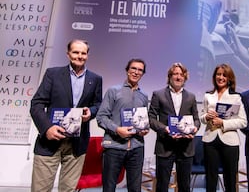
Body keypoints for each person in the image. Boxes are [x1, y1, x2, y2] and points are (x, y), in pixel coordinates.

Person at [30, 39, 103, 192]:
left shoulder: (95, 79)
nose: (79, 56)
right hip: (50, 142)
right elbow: (36, 104)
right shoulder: (53, 74)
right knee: (40, 189)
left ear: (87, 55)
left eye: (83, 53)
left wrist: (91, 113)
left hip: (77, 144)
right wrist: (47, 128)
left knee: (68, 189)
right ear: (68, 53)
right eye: (76, 52)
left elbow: (97, 104)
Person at [96, 58, 149, 192]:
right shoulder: (113, 91)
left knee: (135, 189)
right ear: (127, 70)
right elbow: (101, 117)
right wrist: (117, 129)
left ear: (143, 73)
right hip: (114, 146)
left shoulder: (143, 96)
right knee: (109, 187)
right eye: (133, 68)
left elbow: (143, 120)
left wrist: (144, 129)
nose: (136, 72)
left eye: (140, 70)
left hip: (137, 148)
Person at [148, 62, 200, 192]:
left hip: (185, 146)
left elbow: (196, 119)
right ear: (170, 76)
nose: (178, 77)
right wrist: (165, 128)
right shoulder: (158, 94)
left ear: (185, 77)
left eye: (181, 74)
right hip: (165, 146)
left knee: (184, 186)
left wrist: (195, 128)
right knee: (162, 185)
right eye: (175, 74)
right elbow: (151, 118)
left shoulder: (191, 96)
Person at [200, 63, 247, 192]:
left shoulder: (236, 97)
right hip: (210, 139)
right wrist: (207, 117)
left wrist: (223, 123)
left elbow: (243, 122)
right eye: (218, 74)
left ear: (229, 78)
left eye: (224, 75)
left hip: (230, 140)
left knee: (230, 177)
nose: (221, 77)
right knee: (210, 177)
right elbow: (201, 117)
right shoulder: (208, 95)